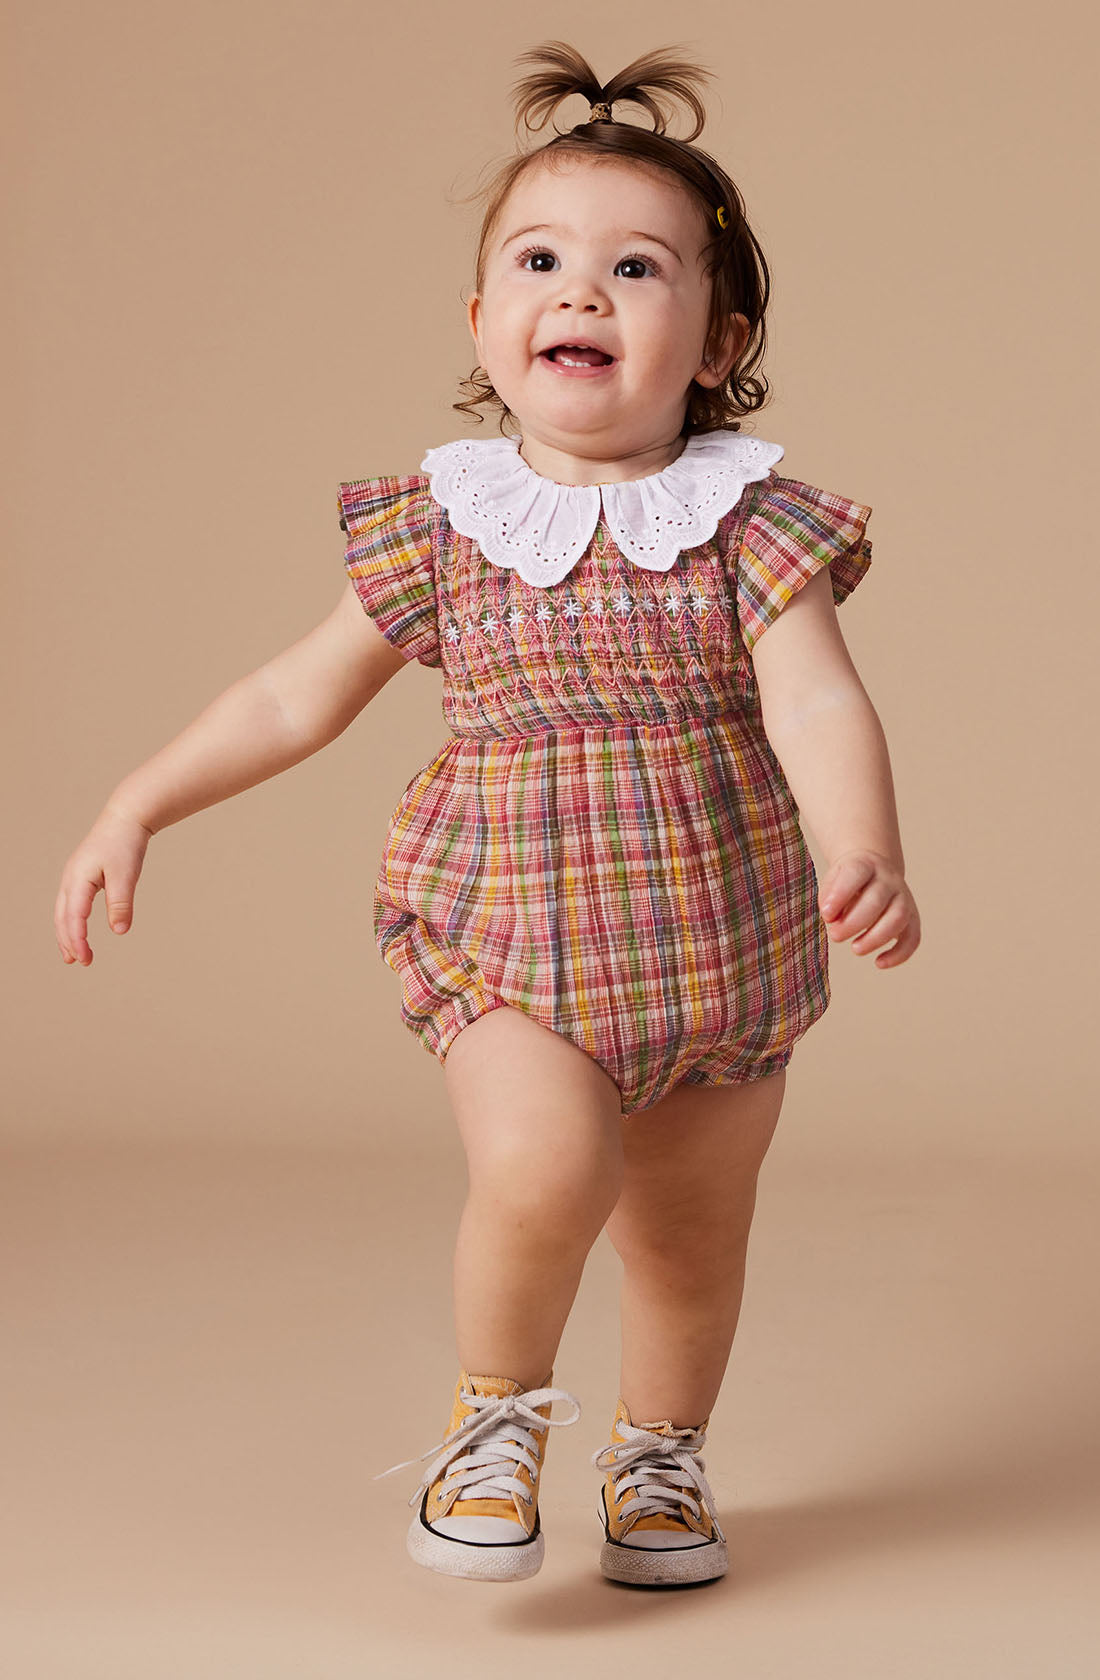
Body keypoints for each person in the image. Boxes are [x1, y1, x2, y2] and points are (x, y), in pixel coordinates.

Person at [53, 40, 921, 1590]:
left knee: (688, 1247)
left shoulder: (747, 528)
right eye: (540, 260)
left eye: (634, 268)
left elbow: (819, 703)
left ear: (717, 339)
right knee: (542, 1173)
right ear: (482, 323)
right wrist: (138, 802)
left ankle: (661, 1460)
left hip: (724, 949)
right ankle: (494, 1415)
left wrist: (865, 845)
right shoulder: (450, 525)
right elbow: (292, 697)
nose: (579, 293)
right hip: (510, 933)